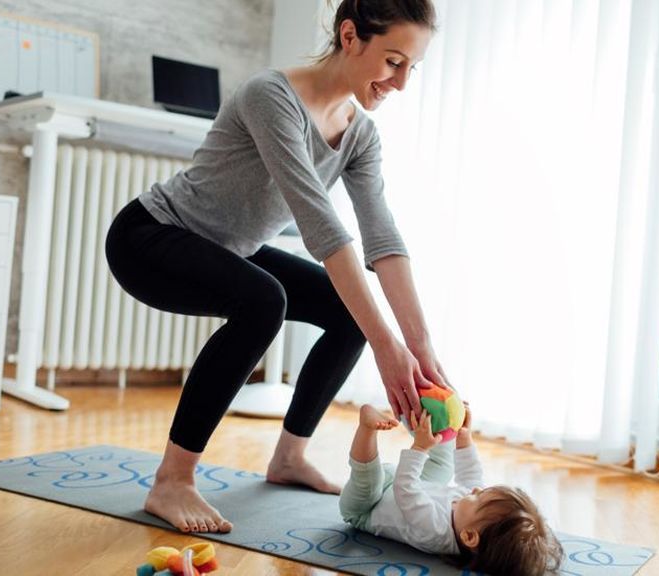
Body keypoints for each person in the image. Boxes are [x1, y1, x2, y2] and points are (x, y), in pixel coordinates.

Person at [105, 0, 445, 534]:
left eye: (411, 68)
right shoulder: (272, 96)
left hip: (230, 248)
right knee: (264, 300)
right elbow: (321, 227)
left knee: (345, 309)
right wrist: (387, 349)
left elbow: (382, 240)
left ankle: (288, 458)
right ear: (351, 35)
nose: (400, 83)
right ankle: (172, 480)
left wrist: (420, 351)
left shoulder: (360, 134)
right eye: (393, 61)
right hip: (150, 237)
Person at [340, 405, 564, 575]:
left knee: (367, 480)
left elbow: (405, 489)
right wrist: (463, 436)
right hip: (411, 484)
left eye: (478, 497)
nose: (476, 489)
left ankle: (367, 428)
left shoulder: (435, 531)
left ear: (469, 536)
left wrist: (419, 448)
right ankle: (437, 420)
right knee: (444, 465)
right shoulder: (469, 514)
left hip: (367, 507)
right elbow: (471, 475)